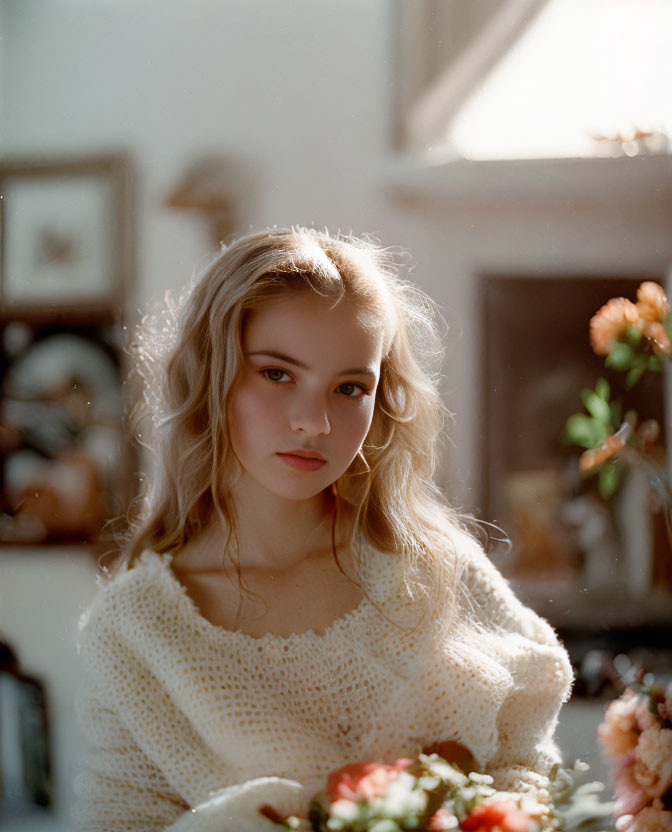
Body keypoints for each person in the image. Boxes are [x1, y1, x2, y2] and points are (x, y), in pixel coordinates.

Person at [72, 227, 573, 832]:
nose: (314, 422)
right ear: (211, 374)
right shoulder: (136, 635)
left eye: (349, 388)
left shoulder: (436, 567)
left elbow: (529, 765)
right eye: (277, 374)